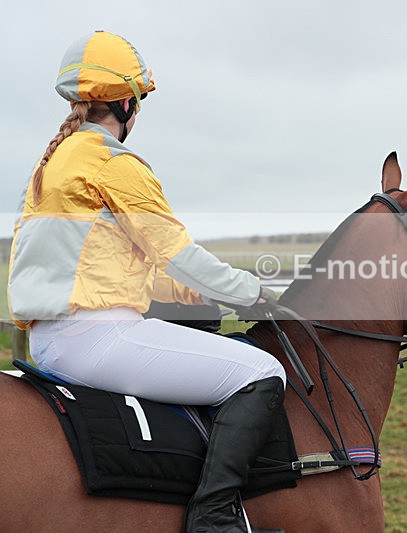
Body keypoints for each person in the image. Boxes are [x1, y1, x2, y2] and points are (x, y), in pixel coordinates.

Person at [7, 31, 285, 533]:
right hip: (99, 337)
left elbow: (115, 265)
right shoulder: (116, 163)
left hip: (48, 341)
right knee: (262, 372)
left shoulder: (54, 162)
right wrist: (254, 293)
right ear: (127, 103)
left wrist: (195, 294)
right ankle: (215, 517)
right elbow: (176, 252)